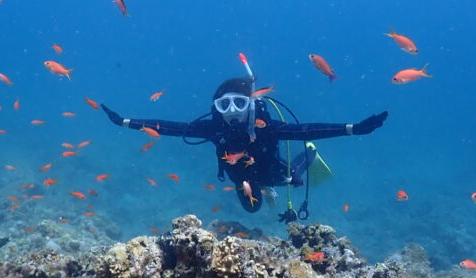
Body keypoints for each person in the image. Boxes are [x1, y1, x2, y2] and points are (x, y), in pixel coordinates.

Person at [101, 74, 387, 216]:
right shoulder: (213, 126)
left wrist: (354, 129)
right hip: (240, 175)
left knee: (292, 178)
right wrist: (125, 121)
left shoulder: (267, 126)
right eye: (225, 105)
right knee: (252, 209)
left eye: (239, 103)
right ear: (217, 107)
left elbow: (305, 129)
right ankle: (267, 184)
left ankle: (308, 157)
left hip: (270, 168)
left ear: (251, 103)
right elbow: (169, 127)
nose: (232, 111)